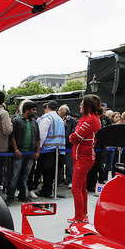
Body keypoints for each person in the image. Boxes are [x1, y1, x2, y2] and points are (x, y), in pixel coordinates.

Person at [69, 94, 102, 226]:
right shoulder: (87, 118)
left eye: (82, 104)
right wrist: (74, 137)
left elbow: (74, 137)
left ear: (88, 106)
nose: (80, 106)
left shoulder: (91, 120)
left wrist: (73, 137)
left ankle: (79, 220)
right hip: (79, 155)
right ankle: (83, 216)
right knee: (81, 188)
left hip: (84, 156)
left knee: (76, 188)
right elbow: (75, 136)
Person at [6, 101, 40, 205]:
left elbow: (38, 138)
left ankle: (22, 194)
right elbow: (12, 136)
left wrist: (38, 151)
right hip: (19, 153)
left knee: (25, 176)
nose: (35, 111)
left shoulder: (34, 122)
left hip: (30, 153)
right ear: (27, 110)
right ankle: (10, 196)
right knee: (15, 175)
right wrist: (16, 150)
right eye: (33, 109)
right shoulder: (16, 121)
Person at [33, 100, 65, 197]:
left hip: (47, 149)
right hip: (58, 149)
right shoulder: (60, 119)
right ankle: (48, 190)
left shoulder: (47, 118)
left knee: (45, 171)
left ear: (47, 108)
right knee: (51, 173)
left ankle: (44, 190)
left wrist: (38, 148)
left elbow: (42, 135)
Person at [58, 104, 77, 187]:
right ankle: (58, 180)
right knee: (59, 164)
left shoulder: (71, 120)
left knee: (69, 165)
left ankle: (70, 181)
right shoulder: (58, 119)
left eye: (59, 110)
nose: (58, 112)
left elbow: (74, 130)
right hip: (59, 144)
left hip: (68, 145)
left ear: (64, 112)